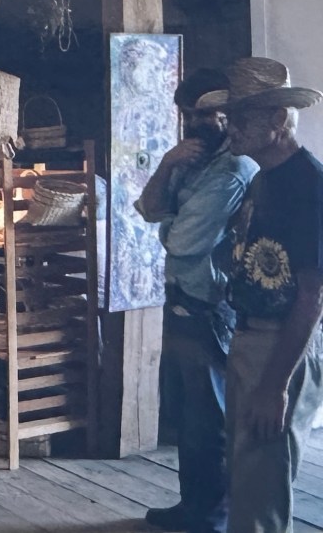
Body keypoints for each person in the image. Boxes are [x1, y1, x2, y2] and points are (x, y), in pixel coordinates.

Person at [192, 57, 323, 533]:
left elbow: (312, 297)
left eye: (242, 117)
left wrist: (275, 386)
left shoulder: (309, 186)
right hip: (248, 340)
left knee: (261, 497)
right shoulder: (261, 178)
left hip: (280, 347)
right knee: (247, 483)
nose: (231, 127)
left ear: (278, 119)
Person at [136, 69, 259, 533]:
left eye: (205, 114)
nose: (196, 123)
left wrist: (171, 222)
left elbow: (183, 242)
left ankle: (211, 517)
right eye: (189, 114)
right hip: (183, 297)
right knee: (191, 416)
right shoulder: (193, 158)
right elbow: (150, 209)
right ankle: (194, 506)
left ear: (227, 113)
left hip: (210, 304)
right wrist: (167, 165)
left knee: (210, 417)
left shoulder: (233, 168)